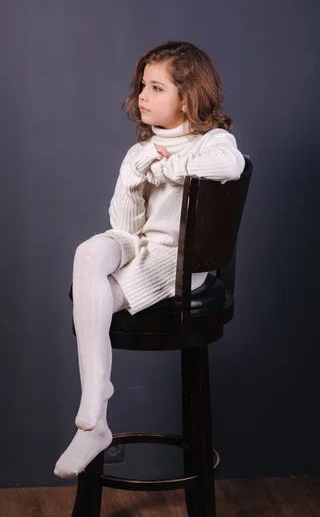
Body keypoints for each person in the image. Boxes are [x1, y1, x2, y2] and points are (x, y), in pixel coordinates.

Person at [54, 41, 245, 478]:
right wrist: (134, 177)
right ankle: (96, 403)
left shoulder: (213, 140)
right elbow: (126, 226)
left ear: (188, 95)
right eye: (143, 85)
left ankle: (93, 420)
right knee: (89, 252)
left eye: (157, 88)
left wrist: (172, 169)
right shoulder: (140, 150)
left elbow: (228, 164)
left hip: (180, 263)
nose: (143, 96)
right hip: (142, 248)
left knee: (97, 294)